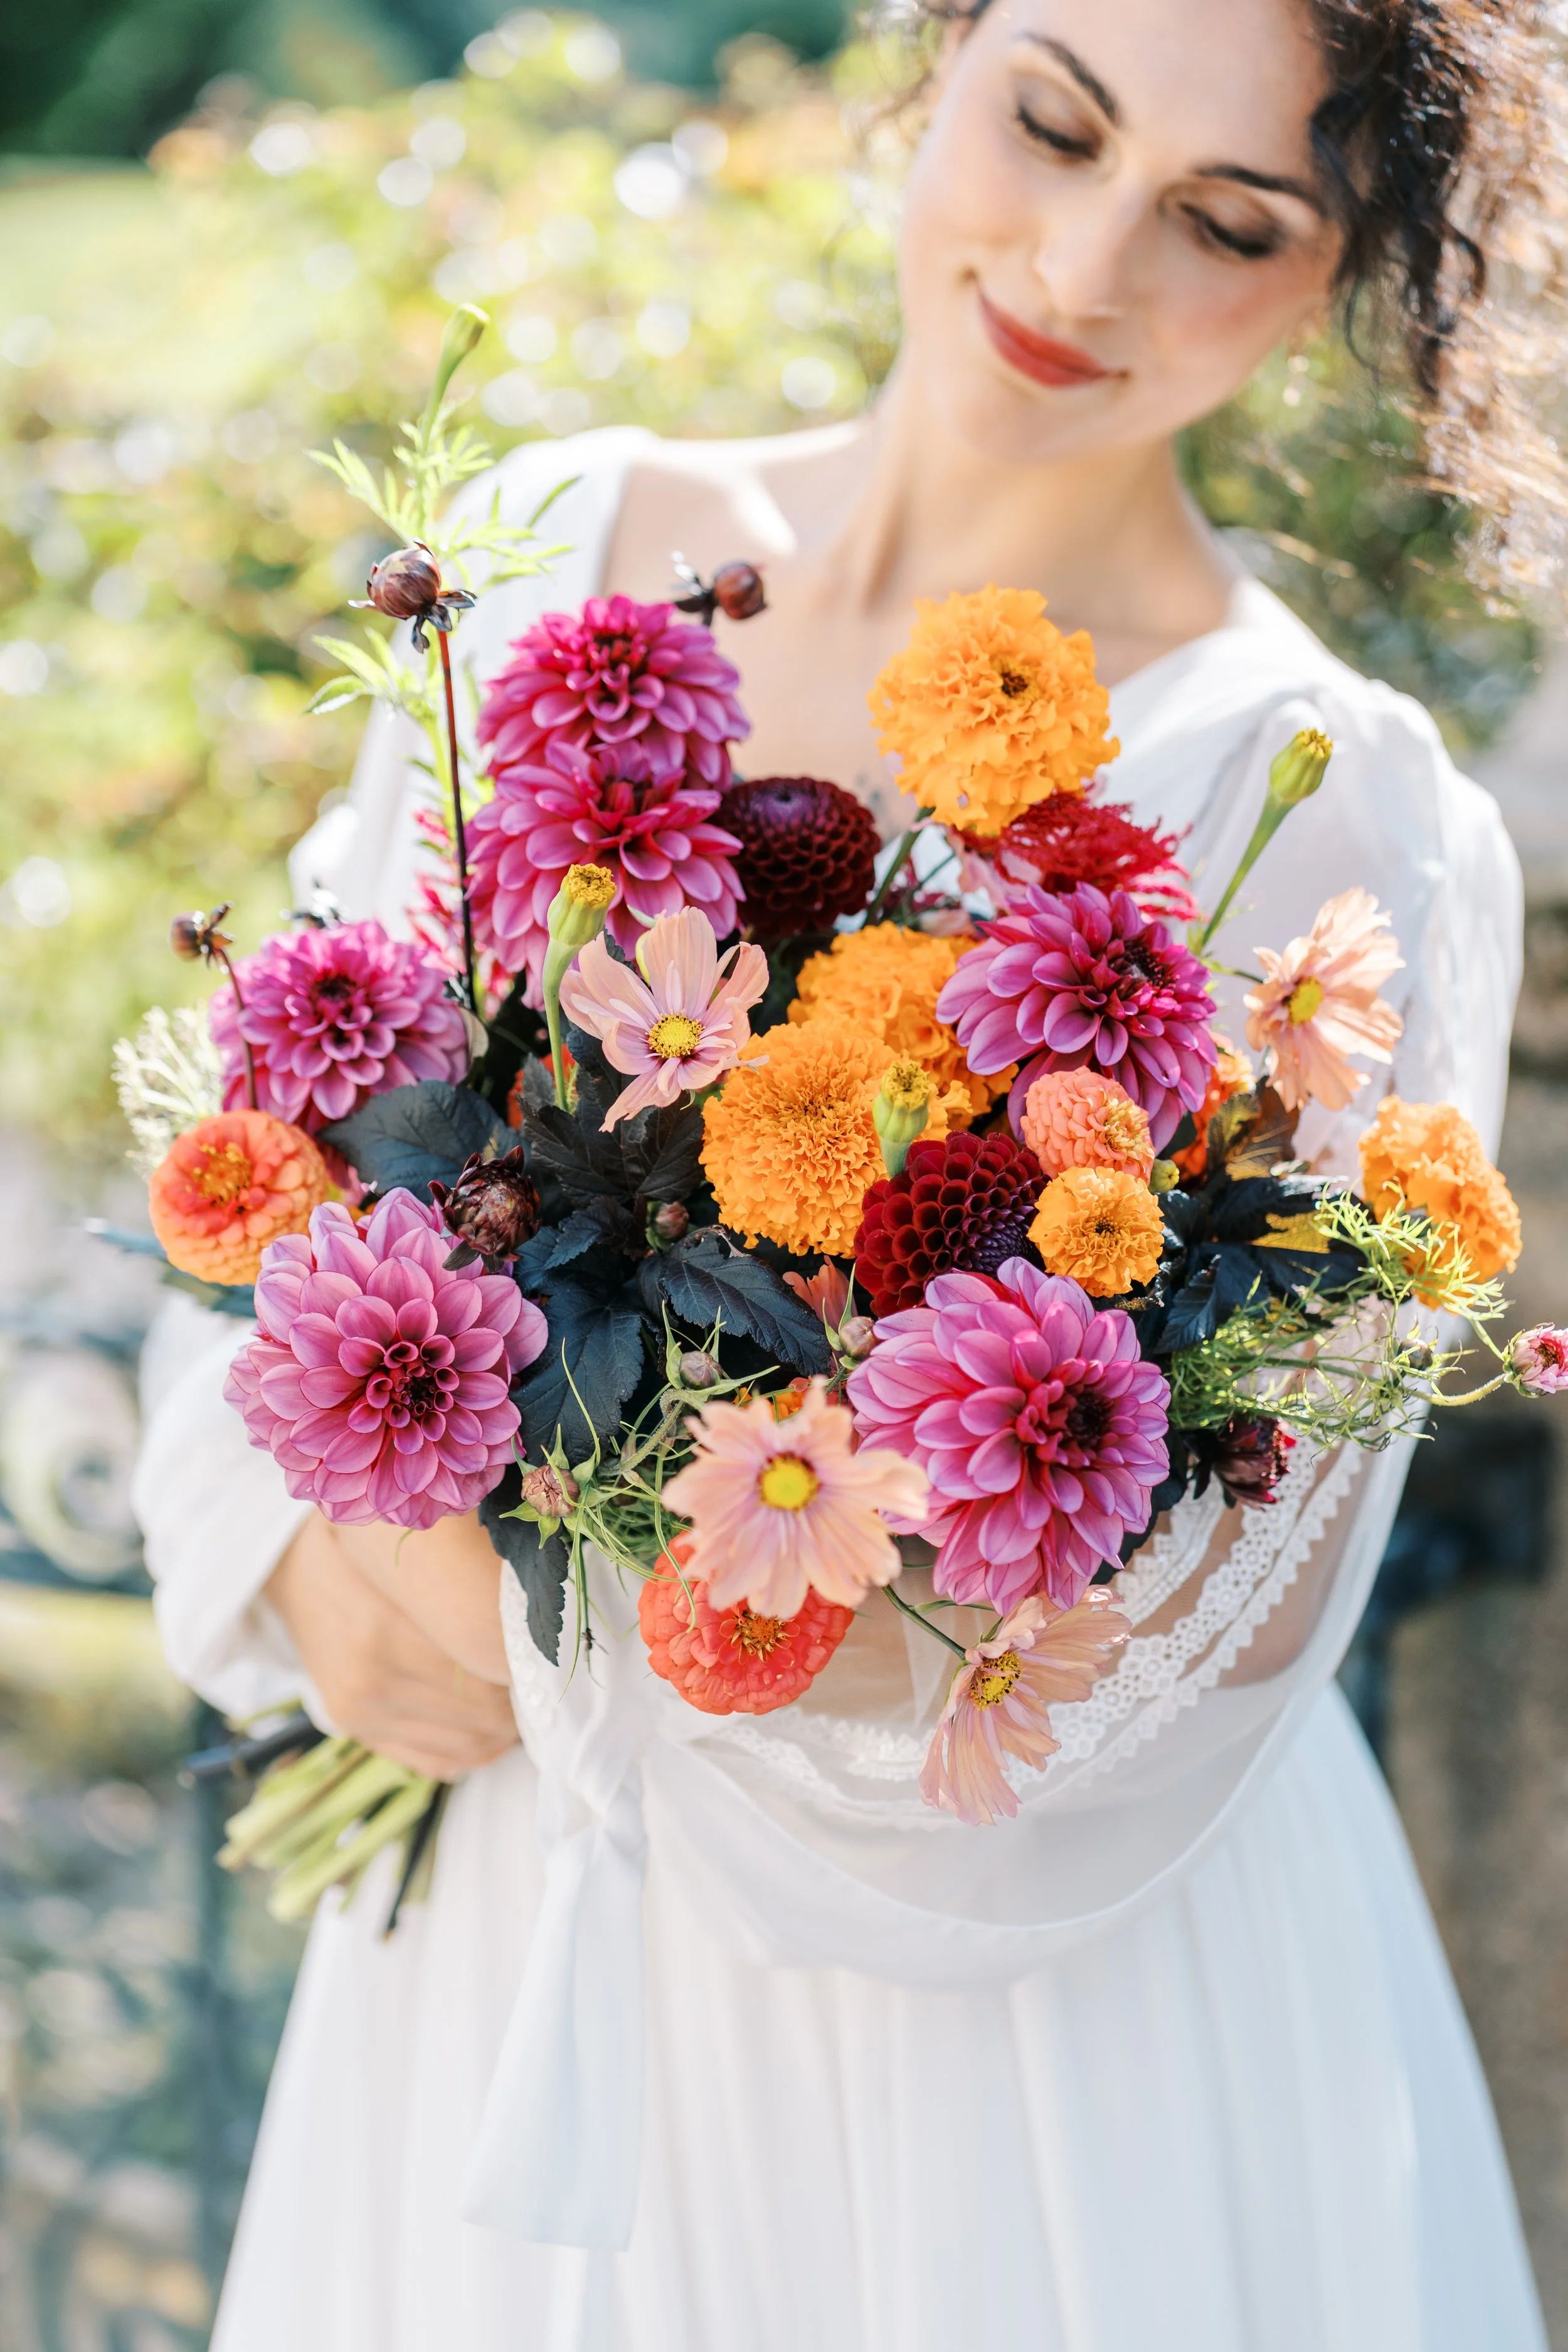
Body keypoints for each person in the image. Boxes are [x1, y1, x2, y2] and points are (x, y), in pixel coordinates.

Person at [132, 0, 1560, 2343]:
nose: (1083, 264)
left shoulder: (1307, 793)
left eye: (1223, 220)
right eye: (1054, 123)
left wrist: (582, 1636)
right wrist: (301, 1527)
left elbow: (1230, 1618)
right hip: (519, 1947)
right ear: (942, 58)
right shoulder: (552, 560)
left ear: (1336, 282)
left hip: (1005, 2038)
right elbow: (285, 1151)